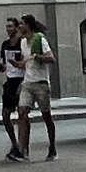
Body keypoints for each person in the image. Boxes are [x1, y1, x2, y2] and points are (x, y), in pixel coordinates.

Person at [21, 14, 59, 158]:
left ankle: (52, 147)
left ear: (28, 25)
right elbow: (26, 62)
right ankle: (24, 150)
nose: (20, 26)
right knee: (22, 112)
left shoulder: (39, 38)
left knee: (46, 116)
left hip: (41, 83)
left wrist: (38, 57)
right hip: (27, 82)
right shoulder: (23, 42)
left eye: (22, 24)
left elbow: (51, 58)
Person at [0, 19, 30, 161]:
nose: (8, 29)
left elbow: (28, 63)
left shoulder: (22, 43)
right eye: (7, 26)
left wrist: (19, 65)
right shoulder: (5, 45)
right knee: (5, 115)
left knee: (22, 115)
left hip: (21, 80)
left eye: (10, 26)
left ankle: (24, 147)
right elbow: (6, 63)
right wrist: (3, 67)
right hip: (10, 81)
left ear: (17, 27)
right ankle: (15, 144)